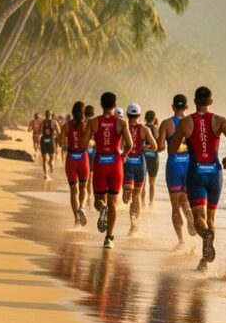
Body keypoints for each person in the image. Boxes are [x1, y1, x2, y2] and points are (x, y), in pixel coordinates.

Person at [170, 86, 226, 270]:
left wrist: (187, 142)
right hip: (215, 173)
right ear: (211, 101)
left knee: (199, 217)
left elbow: (172, 149)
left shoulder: (186, 122)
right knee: (211, 219)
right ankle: (204, 261)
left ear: (194, 101)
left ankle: (205, 238)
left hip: (196, 173)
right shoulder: (220, 120)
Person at [82, 91, 134, 249]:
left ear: (101, 104)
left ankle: (102, 208)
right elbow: (130, 144)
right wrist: (123, 155)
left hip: (100, 163)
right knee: (113, 202)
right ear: (115, 105)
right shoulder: (121, 122)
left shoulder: (93, 122)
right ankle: (109, 239)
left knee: (98, 200)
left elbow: (83, 144)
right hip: (115, 163)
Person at [155, 94, 196, 250]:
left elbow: (160, 147)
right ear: (186, 107)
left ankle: (181, 241)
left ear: (173, 107)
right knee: (185, 200)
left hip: (173, 166)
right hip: (188, 165)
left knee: (175, 206)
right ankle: (189, 215)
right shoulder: (192, 122)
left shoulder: (166, 124)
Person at [122, 103, 157, 234]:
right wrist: (143, 148)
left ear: (127, 114)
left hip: (127, 162)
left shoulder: (122, 127)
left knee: (127, 197)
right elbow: (154, 146)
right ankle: (133, 226)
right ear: (139, 115)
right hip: (140, 164)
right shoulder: (145, 129)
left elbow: (119, 146)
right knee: (137, 196)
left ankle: (126, 193)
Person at [62, 102, 90, 227]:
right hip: (83, 158)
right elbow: (90, 143)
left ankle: (76, 220)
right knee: (83, 188)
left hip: (71, 159)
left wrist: (70, 140)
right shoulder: (86, 126)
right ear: (84, 113)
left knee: (74, 191)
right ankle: (82, 207)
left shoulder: (66, 126)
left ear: (72, 112)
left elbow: (61, 142)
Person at [143, 110, 160, 205]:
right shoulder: (156, 128)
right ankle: (151, 204)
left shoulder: (143, 127)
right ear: (154, 118)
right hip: (154, 157)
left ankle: (142, 203)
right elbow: (159, 143)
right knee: (152, 182)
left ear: (145, 118)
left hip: (144, 156)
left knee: (143, 182)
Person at [39, 109, 59, 179]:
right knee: (52, 158)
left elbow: (40, 132)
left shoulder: (42, 122)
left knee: (44, 159)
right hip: (50, 140)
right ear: (51, 115)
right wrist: (55, 135)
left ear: (45, 115)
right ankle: (50, 164)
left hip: (43, 140)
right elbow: (59, 132)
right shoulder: (54, 122)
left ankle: (45, 174)